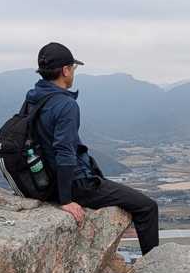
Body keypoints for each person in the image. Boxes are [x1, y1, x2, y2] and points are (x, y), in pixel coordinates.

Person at [26, 41, 161, 254]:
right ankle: (154, 267)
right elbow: (64, 151)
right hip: (77, 184)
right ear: (65, 70)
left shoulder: (34, 98)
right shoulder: (65, 104)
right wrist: (66, 199)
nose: (73, 73)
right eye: (73, 68)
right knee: (147, 207)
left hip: (44, 180)